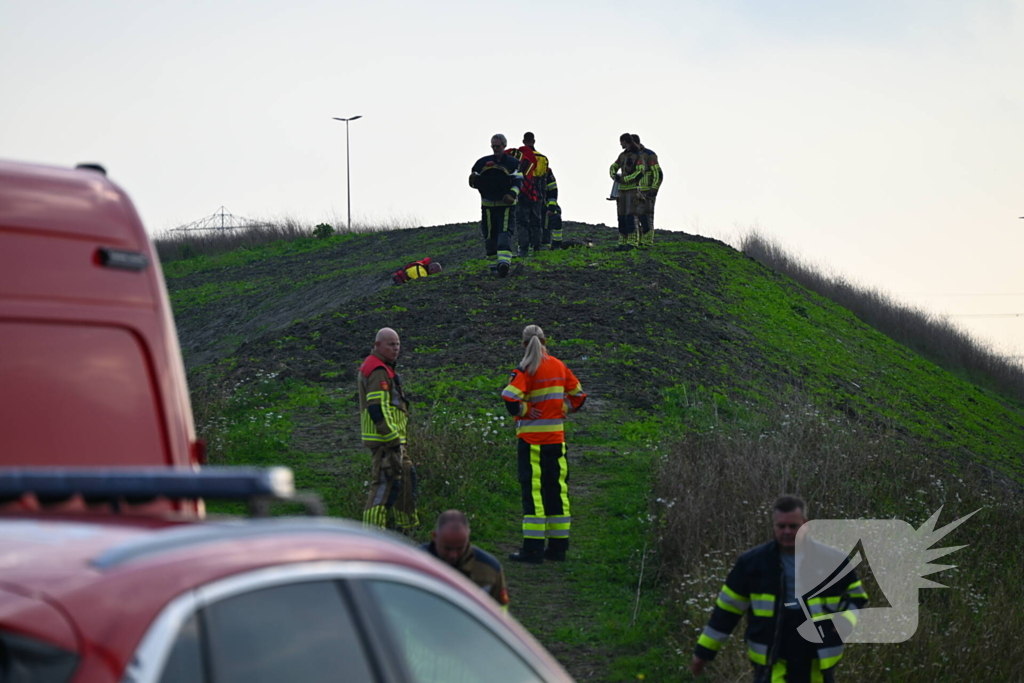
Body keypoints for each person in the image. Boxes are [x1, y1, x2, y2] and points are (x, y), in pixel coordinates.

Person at [691, 496, 868, 682]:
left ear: (806, 524)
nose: (787, 532)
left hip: (817, 655)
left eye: (793, 526)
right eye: (781, 526)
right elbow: (726, 612)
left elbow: (856, 597)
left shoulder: (833, 560)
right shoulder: (752, 564)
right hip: (772, 653)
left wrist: (845, 621)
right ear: (773, 525)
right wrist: (703, 654)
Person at [501, 325, 587, 563]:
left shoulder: (525, 369)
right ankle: (558, 549)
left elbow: (509, 398)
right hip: (557, 441)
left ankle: (532, 550)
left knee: (534, 495)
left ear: (524, 344)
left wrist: (526, 410)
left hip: (531, 442)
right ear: (546, 341)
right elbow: (579, 397)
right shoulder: (559, 366)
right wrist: (563, 407)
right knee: (558, 493)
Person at [358, 327, 418, 531]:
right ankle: (372, 535)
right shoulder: (378, 370)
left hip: (394, 440)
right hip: (386, 441)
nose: (396, 348)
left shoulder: (383, 366)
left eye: (398, 344)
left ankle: (406, 528)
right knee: (383, 488)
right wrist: (392, 438)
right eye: (391, 344)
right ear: (377, 345)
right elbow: (377, 408)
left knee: (407, 479)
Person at [421, 509, 511, 611]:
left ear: (468, 537)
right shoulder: (414, 564)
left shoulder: (489, 570)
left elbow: (500, 611)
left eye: (459, 548)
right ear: (434, 536)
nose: (453, 555)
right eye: (447, 548)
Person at [470, 134, 523, 277]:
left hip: (505, 206)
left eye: (498, 146)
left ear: (504, 146)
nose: (495, 149)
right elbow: (475, 180)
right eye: (493, 146)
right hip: (487, 206)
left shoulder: (513, 163)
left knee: (504, 233)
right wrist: (473, 180)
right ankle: (493, 267)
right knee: (489, 236)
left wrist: (512, 194)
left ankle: (504, 264)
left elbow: (519, 181)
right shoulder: (482, 162)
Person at [609, 133, 645, 250]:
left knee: (631, 216)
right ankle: (622, 242)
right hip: (621, 192)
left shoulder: (638, 155)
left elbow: (640, 172)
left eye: (622, 142)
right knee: (621, 216)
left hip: (633, 190)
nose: (620, 144)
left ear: (626, 141)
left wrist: (625, 179)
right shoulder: (622, 155)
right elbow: (614, 166)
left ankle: (632, 242)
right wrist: (613, 174)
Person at [631, 133, 663, 248]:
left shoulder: (650, 155)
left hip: (647, 191)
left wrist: (654, 189)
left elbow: (658, 173)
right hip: (634, 191)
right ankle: (638, 240)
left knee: (646, 216)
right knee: (634, 216)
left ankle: (647, 241)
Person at [515, 132, 542, 257]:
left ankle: (523, 249)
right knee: (536, 220)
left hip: (522, 192)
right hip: (537, 194)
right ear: (534, 141)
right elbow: (546, 178)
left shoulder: (518, 156)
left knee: (522, 221)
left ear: (523, 141)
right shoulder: (543, 158)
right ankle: (537, 247)